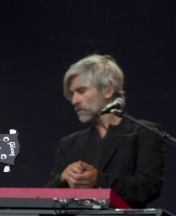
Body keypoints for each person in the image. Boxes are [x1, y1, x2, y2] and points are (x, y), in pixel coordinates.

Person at [45, 54, 165, 208]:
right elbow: (47, 198)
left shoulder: (143, 132)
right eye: (72, 94)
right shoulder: (69, 143)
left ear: (107, 90)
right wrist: (63, 177)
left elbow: (149, 186)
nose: (74, 101)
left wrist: (98, 181)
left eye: (81, 91)